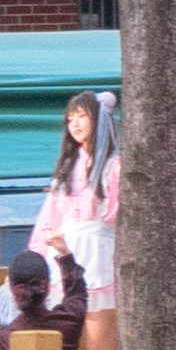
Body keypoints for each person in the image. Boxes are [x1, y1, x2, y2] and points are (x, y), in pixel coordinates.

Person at [33, 92, 118, 311]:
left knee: (99, 341)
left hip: (99, 252)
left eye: (81, 115)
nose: (75, 124)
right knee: (61, 336)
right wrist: (36, 258)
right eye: (70, 119)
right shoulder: (68, 166)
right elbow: (49, 216)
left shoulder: (115, 166)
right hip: (63, 251)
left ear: (98, 118)